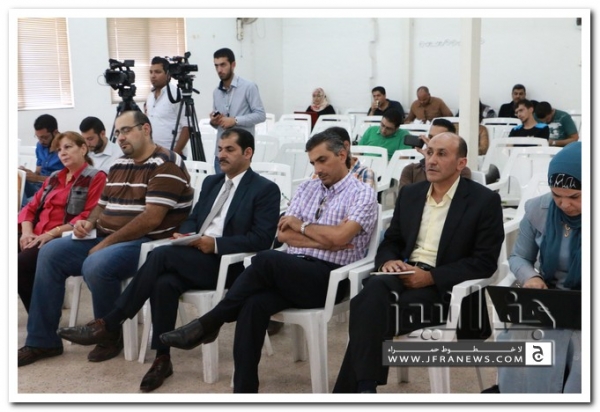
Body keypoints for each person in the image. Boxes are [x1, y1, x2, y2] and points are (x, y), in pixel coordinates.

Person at [57, 128, 281, 392]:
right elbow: (194, 218)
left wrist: (215, 244)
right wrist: (184, 234)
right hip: (194, 254)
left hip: (228, 264)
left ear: (248, 152)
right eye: (220, 149)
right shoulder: (212, 182)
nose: (221, 155)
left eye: (229, 150)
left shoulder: (265, 189)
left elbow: (261, 239)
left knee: (160, 254)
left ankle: (110, 322)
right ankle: (162, 359)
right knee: (164, 283)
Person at [159, 130, 378, 393]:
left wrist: (302, 226)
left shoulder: (361, 193)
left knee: (266, 259)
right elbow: (283, 234)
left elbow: (340, 236)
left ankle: (210, 323)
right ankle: (244, 392)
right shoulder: (307, 188)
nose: (317, 169)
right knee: (253, 304)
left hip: (329, 278)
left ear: (342, 155)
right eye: (313, 163)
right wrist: (326, 240)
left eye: (323, 160)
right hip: (292, 271)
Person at [18, 110, 194, 367]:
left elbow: (151, 219)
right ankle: (43, 341)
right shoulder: (120, 163)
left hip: (146, 242)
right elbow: (102, 205)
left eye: (126, 130)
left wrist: (105, 243)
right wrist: (89, 223)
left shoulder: (166, 163)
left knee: (97, 263)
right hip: (106, 235)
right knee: (50, 252)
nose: (120, 137)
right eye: (118, 132)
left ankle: (108, 334)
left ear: (145, 129)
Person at [333, 132, 504, 393]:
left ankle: (360, 393)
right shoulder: (411, 194)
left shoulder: (483, 201)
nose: (431, 160)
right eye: (429, 152)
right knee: (373, 292)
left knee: (367, 313)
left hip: (445, 288)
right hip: (403, 273)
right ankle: (365, 391)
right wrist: (389, 261)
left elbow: (484, 262)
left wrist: (431, 277)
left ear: (461, 163)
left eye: (442, 154)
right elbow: (392, 240)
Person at [495, 141, 582, 393]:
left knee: (583, 348)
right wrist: (531, 278)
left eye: (574, 197)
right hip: (551, 300)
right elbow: (519, 257)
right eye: (557, 195)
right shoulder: (539, 209)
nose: (564, 204)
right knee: (520, 338)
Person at [18, 132, 106, 313]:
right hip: (36, 233)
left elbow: (88, 215)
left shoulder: (95, 177)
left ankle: (41, 318)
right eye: (59, 150)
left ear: (83, 149)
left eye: (68, 147)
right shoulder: (54, 177)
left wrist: (51, 233)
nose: (62, 153)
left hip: (62, 238)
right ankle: (39, 316)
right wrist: (27, 232)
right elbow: (30, 208)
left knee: (20, 264)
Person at [210, 47, 266, 173]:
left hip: (240, 152)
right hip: (221, 153)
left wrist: (235, 120)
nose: (219, 70)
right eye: (216, 66)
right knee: (221, 185)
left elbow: (261, 115)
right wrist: (214, 121)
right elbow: (219, 124)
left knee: (239, 185)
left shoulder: (248, 87)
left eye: (223, 65)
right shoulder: (216, 92)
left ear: (233, 64)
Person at [399, 119, 471, 188]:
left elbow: (453, 193)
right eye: (430, 137)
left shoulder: (461, 170)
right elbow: (407, 196)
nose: (433, 141)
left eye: (439, 138)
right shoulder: (411, 170)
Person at [146, 56, 190, 157]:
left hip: (172, 154)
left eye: (157, 72)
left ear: (168, 74)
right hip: (153, 153)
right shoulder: (150, 96)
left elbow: (187, 127)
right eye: (151, 72)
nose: (153, 76)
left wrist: (174, 154)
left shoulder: (176, 95)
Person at [20, 114, 64, 205]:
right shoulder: (40, 146)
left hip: (55, 190)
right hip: (39, 186)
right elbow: (38, 172)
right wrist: (27, 173)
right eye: (38, 137)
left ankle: (24, 209)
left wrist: (37, 178)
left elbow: (67, 180)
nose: (41, 141)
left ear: (55, 132)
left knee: (22, 200)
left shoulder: (66, 148)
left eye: (44, 137)